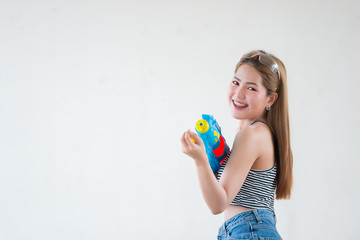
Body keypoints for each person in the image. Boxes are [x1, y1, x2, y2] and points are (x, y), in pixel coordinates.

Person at [180, 50, 293, 239]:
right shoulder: (255, 132)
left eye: (251, 88)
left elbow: (218, 204)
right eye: (236, 82)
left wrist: (199, 159)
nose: (239, 93)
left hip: (248, 230)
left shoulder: (252, 134)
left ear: (270, 99)